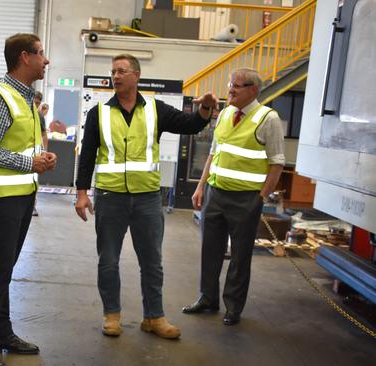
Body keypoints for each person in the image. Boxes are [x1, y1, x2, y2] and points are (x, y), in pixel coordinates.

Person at [74, 53, 217, 339]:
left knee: (152, 261)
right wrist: (81, 193)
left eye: (121, 71)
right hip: (109, 196)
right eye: (113, 71)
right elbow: (87, 154)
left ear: (136, 75)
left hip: (148, 199)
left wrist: (204, 111)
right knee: (108, 260)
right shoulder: (99, 113)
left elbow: (189, 125)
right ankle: (111, 315)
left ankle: (154, 317)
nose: (115, 76)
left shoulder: (156, 109)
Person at [0, 33, 56, 366]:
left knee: (4, 271)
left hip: (21, 196)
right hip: (3, 199)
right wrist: (28, 163)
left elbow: (19, 146)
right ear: (24, 57)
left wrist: (42, 159)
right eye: (41, 54)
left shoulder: (27, 100)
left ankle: (3, 332)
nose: (45, 60)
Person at [182, 68, 284, 326]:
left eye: (238, 86)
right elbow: (214, 154)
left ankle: (233, 307)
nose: (231, 90)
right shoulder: (226, 113)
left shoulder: (267, 118)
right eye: (231, 84)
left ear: (253, 90)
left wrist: (261, 197)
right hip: (215, 194)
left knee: (239, 256)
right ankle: (207, 298)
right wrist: (201, 186)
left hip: (246, 199)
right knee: (210, 251)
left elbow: (276, 164)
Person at [31, 91, 48, 216]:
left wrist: (45, 151)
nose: (36, 105)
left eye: (38, 103)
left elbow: (43, 134)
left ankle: (33, 206)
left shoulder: (39, 116)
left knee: (34, 181)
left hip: (36, 155)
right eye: (35, 102)